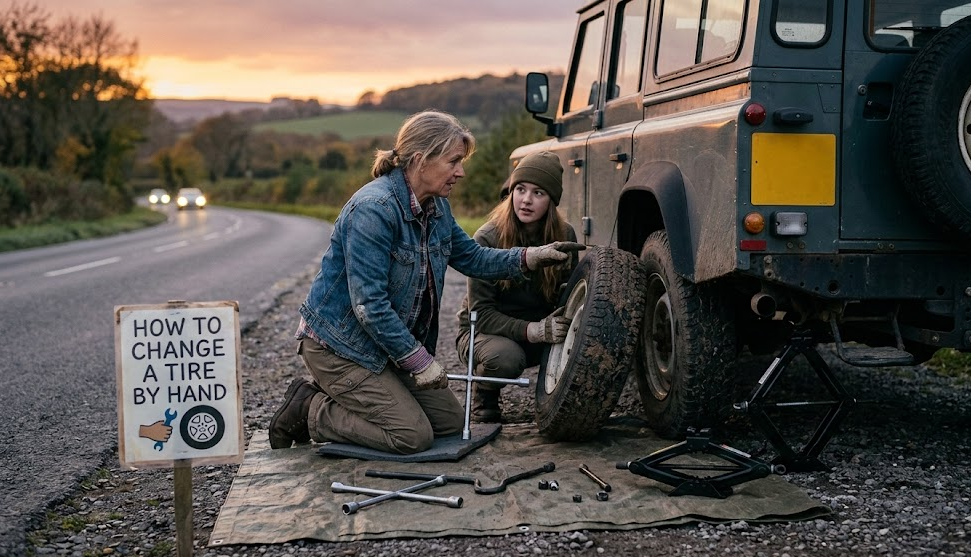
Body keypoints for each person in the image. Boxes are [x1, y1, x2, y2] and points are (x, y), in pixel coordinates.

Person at [267, 110, 584, 454]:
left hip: (385, 346)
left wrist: (528, 257)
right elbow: (368, 307)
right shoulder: (373, 210)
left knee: (448, 425)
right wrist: (418, 360)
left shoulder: (436, 207)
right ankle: (310, 408)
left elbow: (473, 258)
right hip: (342, 347)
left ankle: (360, 396)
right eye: (453, 162)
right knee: (412, 437)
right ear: (420, 160)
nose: (460, 172)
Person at [455, 151, 579, 423]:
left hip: (540, 330)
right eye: (520, 189)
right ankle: (484, 393)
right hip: (485, 333)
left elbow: (567, 299)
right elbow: (482, 314)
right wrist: (532, 331)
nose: (526, 200)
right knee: (506, 357)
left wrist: (557, 327)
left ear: (552, 201)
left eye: (538, 193)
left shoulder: (565, 235)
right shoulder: (488, 237)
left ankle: (555, 397)